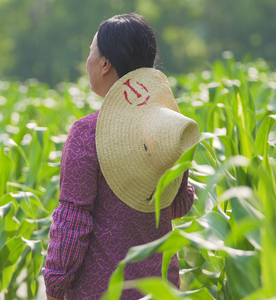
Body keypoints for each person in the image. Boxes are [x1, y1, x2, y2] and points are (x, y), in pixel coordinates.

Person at [43, 13, 198, 300]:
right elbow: (178, 205)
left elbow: (72, 222)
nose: (87, 61)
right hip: (161, 290)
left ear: (104, 64)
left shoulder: (87, 133)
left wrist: (55, 286)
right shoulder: (170, 129)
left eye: (91, 52)